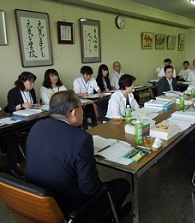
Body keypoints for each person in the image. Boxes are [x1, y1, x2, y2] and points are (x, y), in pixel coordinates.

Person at [25, 91, 131, 222]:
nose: (83, 110)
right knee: (122, 184)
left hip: (35, 199)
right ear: (74, 113)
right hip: (68, 208)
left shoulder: (36, 127)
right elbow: (90, 189)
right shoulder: (81, 139)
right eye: (82, 106)